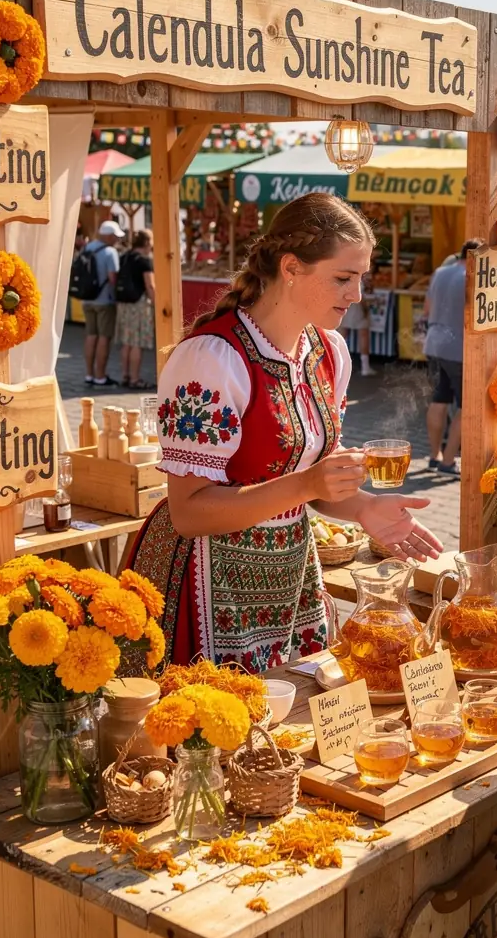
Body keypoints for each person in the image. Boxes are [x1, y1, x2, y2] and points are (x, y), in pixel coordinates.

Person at [124, 193, 442, 670]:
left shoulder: (329, 352)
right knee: (213, 712)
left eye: (361, 278)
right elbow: (188, 512)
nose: (357, 295)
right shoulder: (211, 359)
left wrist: (363, 507)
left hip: (289, 578)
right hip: (205, 580)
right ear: (291, 267)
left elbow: (314, 482)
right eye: (343, 278)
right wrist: (310, 483)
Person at [422, 239, 482, 475]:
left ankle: (434, 456)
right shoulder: (472, 277)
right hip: (459, 348)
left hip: (434, 344)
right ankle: (448, 462)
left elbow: (427, 309)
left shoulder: (440, 272)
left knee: (438, 400)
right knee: (467, 406)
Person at [81, 219, 125, 387]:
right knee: (104, 337)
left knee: (91, 335)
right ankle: (100, 376)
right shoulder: (110, 252)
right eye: (115, 236)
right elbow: (113, 278)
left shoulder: (88, 247)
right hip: (104, 300)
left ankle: (89, 374)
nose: (117, 239)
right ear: (108, 236)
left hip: (87, 299)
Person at [115, 229, 156, 391]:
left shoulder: (124, 257)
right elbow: (150, 286)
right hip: (139, 304)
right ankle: (135, 379)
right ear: (146, 242)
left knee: (126, 342)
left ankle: (125, 376)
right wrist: (157, 304)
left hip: (123, 303)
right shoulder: (145, 261)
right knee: (137, 343)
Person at [339, 267, 376, 377]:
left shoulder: (348, 271)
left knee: (342, 335)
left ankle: (337, 364)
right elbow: (362, 295)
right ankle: (365, 367)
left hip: (346, 305)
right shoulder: (362, 275)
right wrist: (365, 310)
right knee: (363, 335)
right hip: (359, 306)